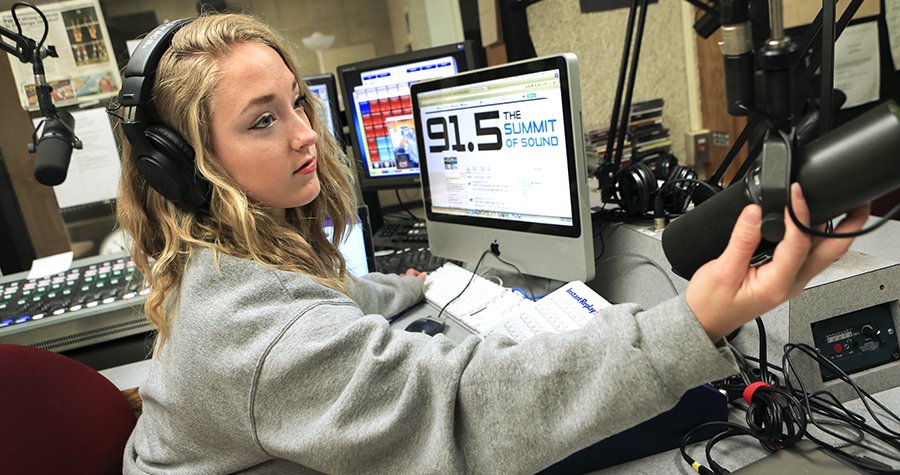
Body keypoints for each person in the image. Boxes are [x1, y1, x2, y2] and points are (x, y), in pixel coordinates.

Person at [115, 13, 870, 474]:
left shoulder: (225, 263)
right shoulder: (258, 337)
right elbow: (460, 412)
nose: (306, 133)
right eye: (262, 120)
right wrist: (690, 324)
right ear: (181, 164)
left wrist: (414, 287)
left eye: (297, 102)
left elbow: (325, 300)